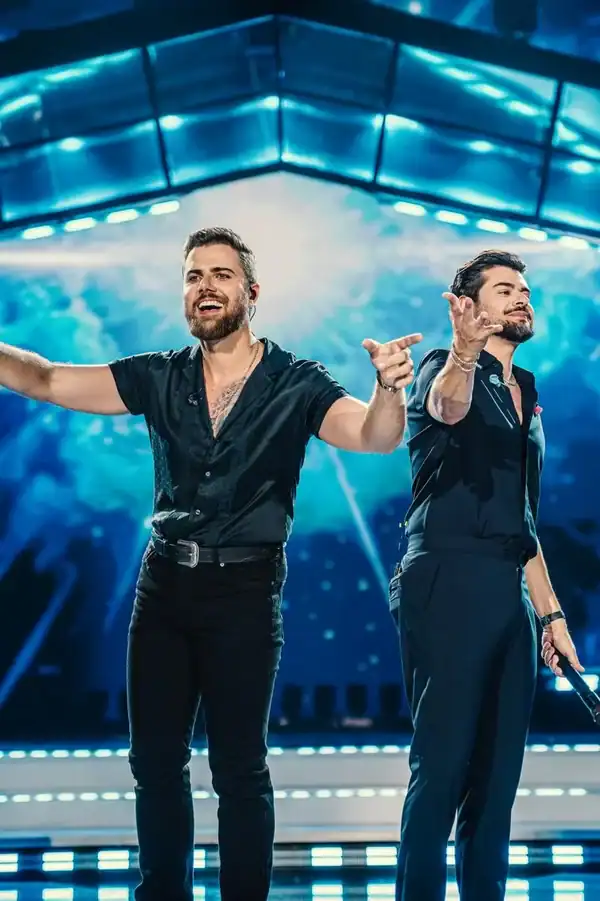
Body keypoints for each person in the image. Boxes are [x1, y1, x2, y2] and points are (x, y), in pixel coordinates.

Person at [0, 226, 421, 901]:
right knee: (155, 763)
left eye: (221, 275)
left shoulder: (296, 382)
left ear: (252, 293)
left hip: (245, 592)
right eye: (194, 276)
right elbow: (45, 378)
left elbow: (374, 435)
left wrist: (389, 389)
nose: (205, 287)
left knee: (239, 768)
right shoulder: (159, 376)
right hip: (164, 586)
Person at [390, 249, 583, 901]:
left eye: (524, 289)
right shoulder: (442, 367)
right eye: (504, 289)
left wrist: (551, 614)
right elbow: (447, 408)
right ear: (469, 307)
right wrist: (465, 351)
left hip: (510, 589)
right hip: (447, 576)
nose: (521, 297)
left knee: (497, 783)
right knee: (442, 768)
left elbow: (522, 516)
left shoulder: (527, 387)